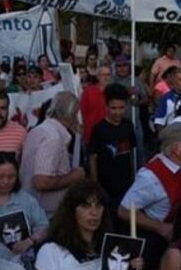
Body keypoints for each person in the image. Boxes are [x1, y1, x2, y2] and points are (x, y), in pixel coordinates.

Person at [119, 123, 181, 270]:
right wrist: (160, 227)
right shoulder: (150, 177)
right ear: (176, 149)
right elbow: (124, 210)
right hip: (155, 244)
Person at [19, 91, 84, 219]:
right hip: (45, 215)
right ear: (73, 113)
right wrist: (73, 177)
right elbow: (41, 182)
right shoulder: (53, 137)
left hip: (34, 208)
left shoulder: (40, 130)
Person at [89, 84, 136, 218]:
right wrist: (95, 185)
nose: (117, 112)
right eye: (113, 108)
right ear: (106, 107)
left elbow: (132, 152)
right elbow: (93, 157)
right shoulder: (98, 129)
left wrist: (133, 177)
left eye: (121, 108)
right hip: (105, 184)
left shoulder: (128, 126)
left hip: (126, 182)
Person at [80, 64, 111, 144]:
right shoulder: (88, 91)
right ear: (98, 76)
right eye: (103, 75)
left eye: (108, 74)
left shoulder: (113, 92)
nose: (106, 77)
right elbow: (82, 113)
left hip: (109, 133)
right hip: (91, 133)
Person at [153, 66, 181, 130]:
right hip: (172, 135)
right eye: (180, 80)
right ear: (173, 81)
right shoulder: (166, 98)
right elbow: (159, 123)